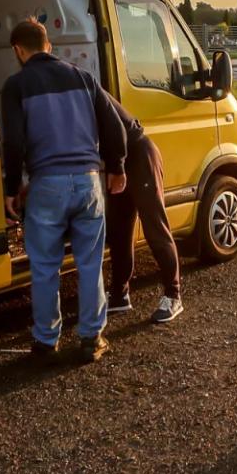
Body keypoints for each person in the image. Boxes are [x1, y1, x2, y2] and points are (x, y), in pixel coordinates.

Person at [1, 18, 126, 363]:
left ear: (18, 50)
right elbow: (115, 126)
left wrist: (11, 188)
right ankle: (91, 339)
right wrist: (116, 167)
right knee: (89, 263)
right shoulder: (82, 77)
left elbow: (14, 142)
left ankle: (45, 341)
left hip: (48, 185)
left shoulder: (16, 85)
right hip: (88, 182)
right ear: (48, 46)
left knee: (44, 267)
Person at [97, 88, 183, 324]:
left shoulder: (84, 89)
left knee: (154, 226)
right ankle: (120, 294)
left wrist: (118, 168)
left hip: (138, 154)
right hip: (118, 162)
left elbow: (118, 132)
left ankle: (173, 295)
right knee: (119, 230)